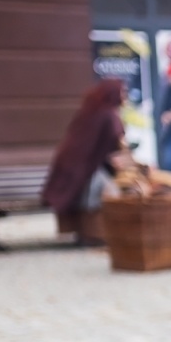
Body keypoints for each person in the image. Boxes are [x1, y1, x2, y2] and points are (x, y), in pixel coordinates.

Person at [42, 78, 126, 245]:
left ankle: (87, 231)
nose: (125, 96)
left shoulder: (89, 110)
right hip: (84, 172)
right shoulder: (108, 114)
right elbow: (116, 143)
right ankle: (99, 232)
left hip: (73, 172)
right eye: (123, 92)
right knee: (112, 191)